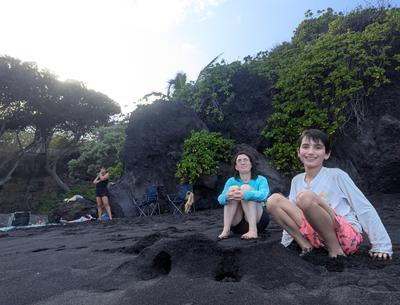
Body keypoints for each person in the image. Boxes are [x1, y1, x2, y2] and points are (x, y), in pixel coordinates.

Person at [267, 129, 392, 259]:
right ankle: (305, 245)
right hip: (315, 236)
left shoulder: (337, 175)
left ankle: (335, 251)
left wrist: (381, 245)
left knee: (306, 198)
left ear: (326, 154)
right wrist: (285, 244)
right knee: (273, 200)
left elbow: (363, 208)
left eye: (317, 147)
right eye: (305, 147)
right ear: (298, 152)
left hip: (345, 238)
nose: (310, 152)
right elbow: (291, 213)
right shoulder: (297, 180)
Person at [217, 151, 270, 240]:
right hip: (237, 223)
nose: (242, 162)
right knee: (233, 189)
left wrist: (246, 194)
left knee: (245, 188)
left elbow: (264, 195)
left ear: (251, 164)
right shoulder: (231, 181)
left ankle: (253, 231)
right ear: (236, 167)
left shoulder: (260, 179)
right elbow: (220, 198)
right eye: (239, 160)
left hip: (258, 221)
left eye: (245, 160)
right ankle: (226, 230)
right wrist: (227, 196)